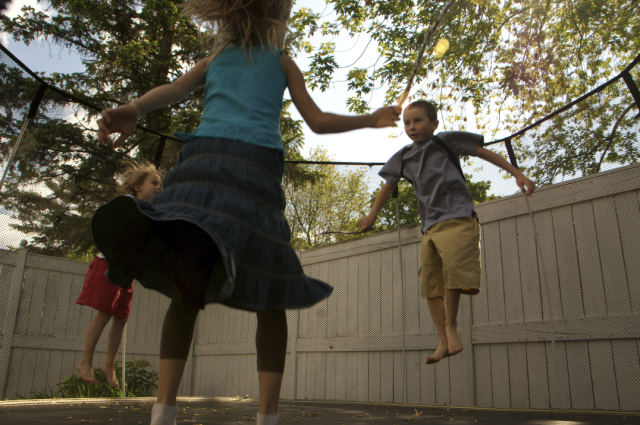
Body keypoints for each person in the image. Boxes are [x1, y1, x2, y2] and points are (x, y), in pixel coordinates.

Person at [93, 1, 400, 424]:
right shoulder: (280, 60)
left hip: (206, 165)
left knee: (188, 288)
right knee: (271, 295)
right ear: (277, 18)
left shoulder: (220, 57)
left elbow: (176, 89)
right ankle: (264, 415)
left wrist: (134, 108)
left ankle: (163, 410)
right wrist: (369, 118)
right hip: (252, 170)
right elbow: (316, 120)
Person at [358, 100, 535, 365]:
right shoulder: (404, 156)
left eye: (418, 121)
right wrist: (372, 214)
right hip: (429, 226)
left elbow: (483, 153)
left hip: (458, 217)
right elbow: (388, 185)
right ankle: (442, 339)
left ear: (434, 124)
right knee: (429, 283)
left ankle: (452, 327)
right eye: (407, 122)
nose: (412, 127)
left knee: (454, 270)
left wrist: (516, 173)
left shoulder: (444, 141)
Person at [76, 162, 163, 388]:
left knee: (121, 318)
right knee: (104, 315)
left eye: (161, 185)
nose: (159, 188)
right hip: (108, 265)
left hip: (126, 272)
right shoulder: (128, 205)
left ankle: (108, 364)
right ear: (136, 186)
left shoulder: (151, 213)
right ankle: (85, 362)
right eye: (154, 183)